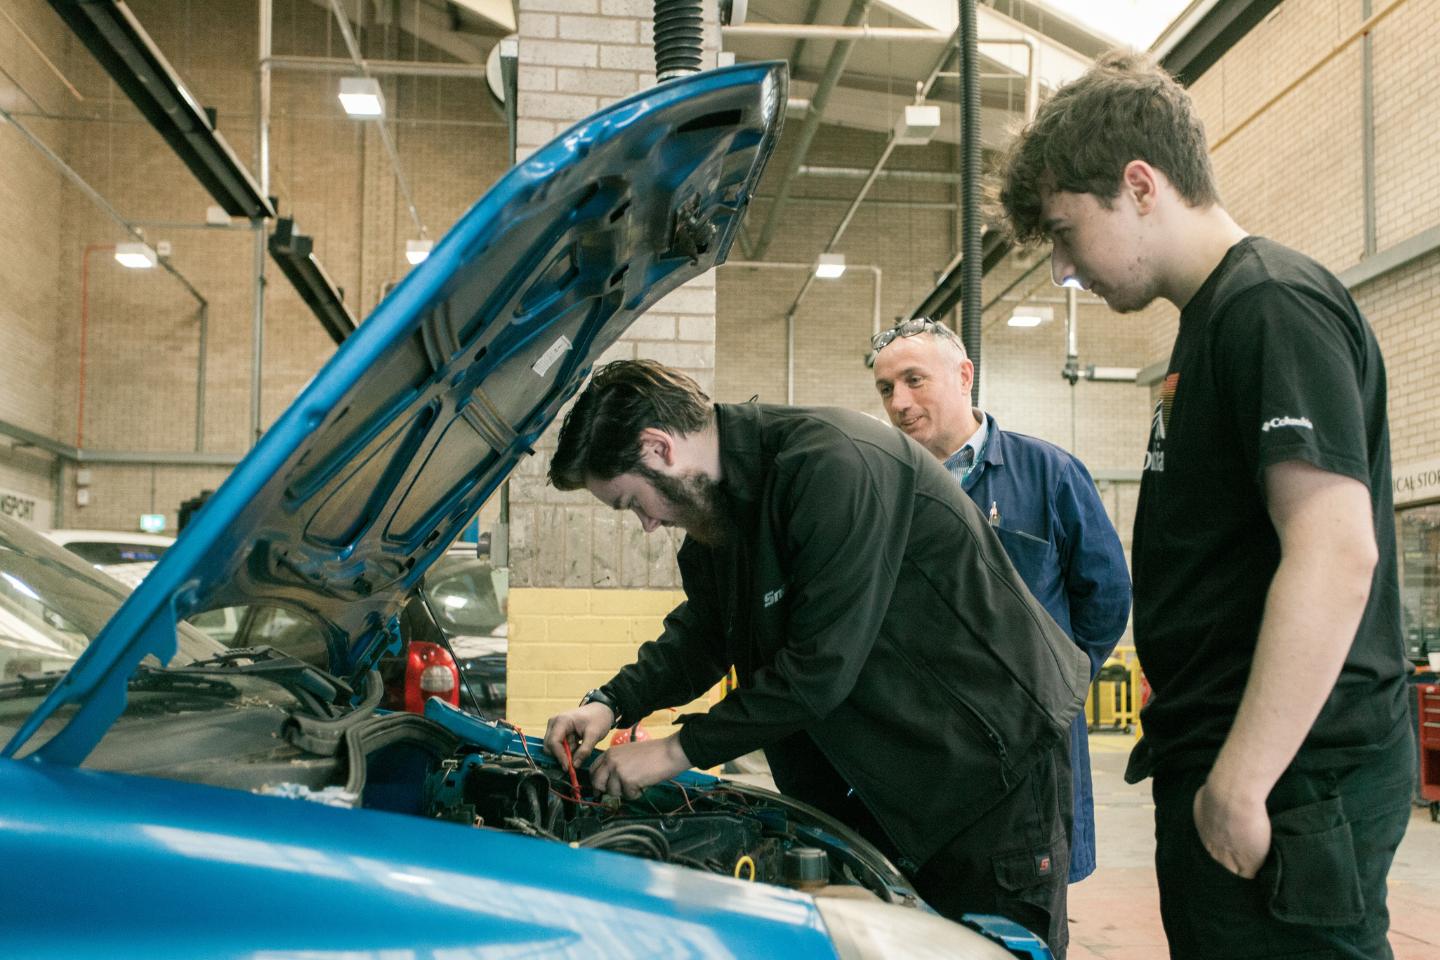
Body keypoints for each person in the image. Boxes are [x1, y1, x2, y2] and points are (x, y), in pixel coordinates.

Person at [997, 51, 1414, 960]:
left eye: (1067, 234)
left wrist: (1243, 778)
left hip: (1291, 779)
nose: (1065, 268)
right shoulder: (1213, 319)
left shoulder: (1271, 305)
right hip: (1240, 762)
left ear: (1140, 185)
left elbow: (1337, 553)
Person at [541, 358, 1089, 955]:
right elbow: (703, 634)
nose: (647, 523)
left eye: (632, 502)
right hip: (883, 784)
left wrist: (674, 752)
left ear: (659, 448)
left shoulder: (833, 464)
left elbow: (817, 671)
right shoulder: (719, 520)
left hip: (984, 776)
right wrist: (610, 703)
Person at [869, 317, 1131, 885]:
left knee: (1025, 913)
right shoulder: (880, 488)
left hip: (1030, 754)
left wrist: (1051, 684)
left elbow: (1106, 597)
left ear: (965, 376)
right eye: (886, 388)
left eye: (915, 380)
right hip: (927, 753)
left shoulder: (1048, 474)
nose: (900, 402)